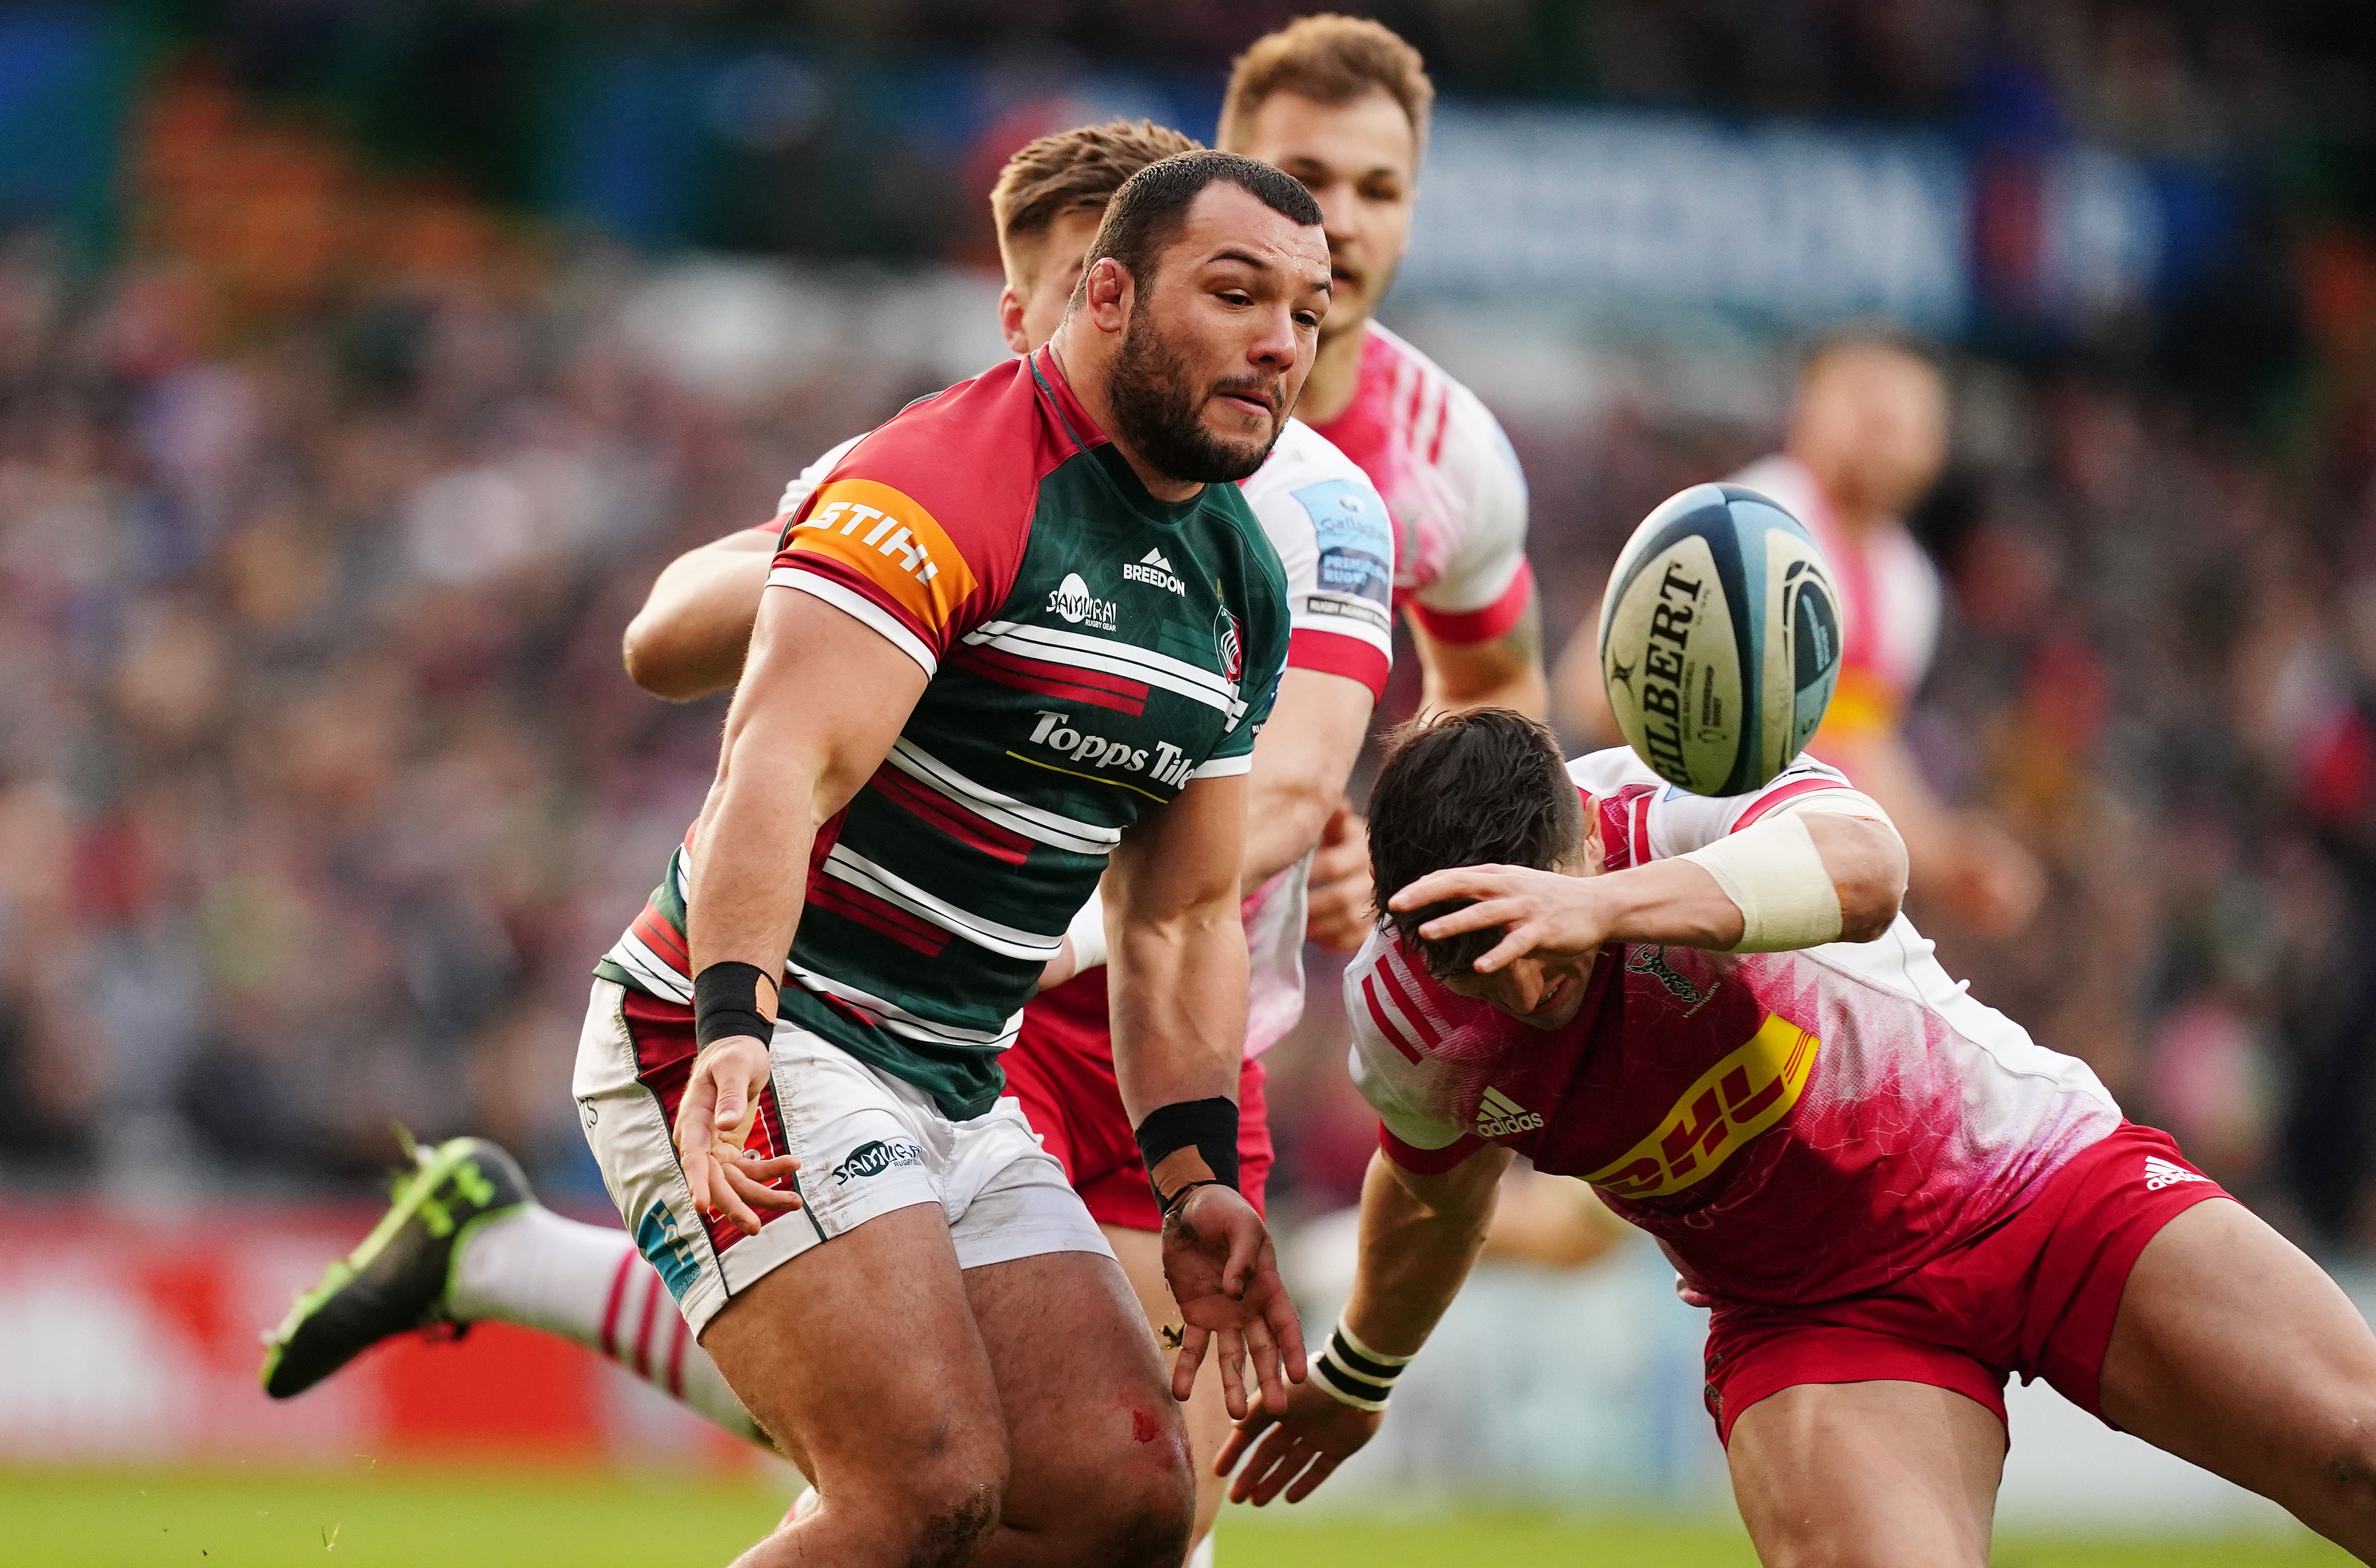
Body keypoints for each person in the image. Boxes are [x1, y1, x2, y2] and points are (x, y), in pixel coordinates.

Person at [261, 121, 1391, 1566]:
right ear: (1103, 298)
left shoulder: (1240, 569)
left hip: (952, 1066)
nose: (1277, 345)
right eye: (1233, 296)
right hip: (762, 1029)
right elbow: (775, 764)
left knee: (1127, 1508)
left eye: (1302, 313)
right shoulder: (945, 478)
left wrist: (1193, 1181)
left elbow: (1174, 920)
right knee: (920, 1491)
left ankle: (504, 1254)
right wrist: (732, 1023)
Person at [1219, 709, 2376, 1567]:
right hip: (1810, 1315)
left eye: (1532, 923)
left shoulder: (1671, 795)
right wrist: (1360, 1371)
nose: (1521, 981)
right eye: (1474, 952)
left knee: (2355, 1444)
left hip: (2037, 1179)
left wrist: (1607, 907)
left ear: (1578, 835)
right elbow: (1436, 1196)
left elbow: (1869, 867)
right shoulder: (1403, 1018)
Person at [1212, 15, 1548, 952]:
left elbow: (1495, 681)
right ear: (1217, 174)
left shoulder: (1448, 460)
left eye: (1379, 189)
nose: (1343, 222)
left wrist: (1394, 853)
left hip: (1213, 985)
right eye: (1305, 179)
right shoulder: (1103, 386)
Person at [1560, 330, 2044, 937]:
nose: (1888, 429)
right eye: (1868, 405)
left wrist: (1947, 855)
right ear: (1806, 413)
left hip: (1768, 889)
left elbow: (1859, 741)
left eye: (1910, 417)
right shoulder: (1737, 529)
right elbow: (1591, 687)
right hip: (1654, 866)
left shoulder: (1906, 584)